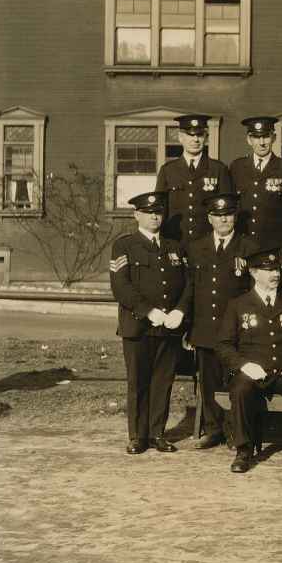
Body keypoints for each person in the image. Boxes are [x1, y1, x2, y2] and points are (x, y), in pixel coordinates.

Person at [216, 248, 282, 474]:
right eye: (267, 270)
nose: (275, 274)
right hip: (253, 372)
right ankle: (244, 450)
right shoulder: (238, 304)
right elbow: (223, 345)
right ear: (253, 273)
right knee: (241, 389)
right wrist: (244, 365)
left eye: (276, 270)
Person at [110, 191, 191, 455]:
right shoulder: (124, 245)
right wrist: (148, 311)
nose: (154, 217)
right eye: (148, 212)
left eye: (158, 212)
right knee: (138, 381)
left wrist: (180, 311)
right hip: (139, 325)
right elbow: (121, 286)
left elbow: (188, 284)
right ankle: (137, 436)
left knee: (163, 381)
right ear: (137, 215)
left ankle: (157, 433)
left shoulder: (174, 247)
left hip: (168, 326)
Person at [178, 192, 257, 449]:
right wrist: (187, 325)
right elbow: (191, 288)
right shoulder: (196, 247)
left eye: (229, 215)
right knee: (209, 380)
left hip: (236, 329)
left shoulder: (248, 247)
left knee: (235, 380)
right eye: (219, 216)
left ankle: (235, 430)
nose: (224, 220)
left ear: (235, 217)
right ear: (210, 218)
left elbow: (254, 291)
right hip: (205, 326)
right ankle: (213, 429)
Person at [155, 113, 233, 245]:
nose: (195, 140)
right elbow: (159, 210)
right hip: (174, 241)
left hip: (207, 244)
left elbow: (227, 210)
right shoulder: (168, 170)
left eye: (200, 135)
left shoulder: (218, 169)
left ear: (206, 138)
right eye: (190, 135)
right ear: (180, 137)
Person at [230, 115, 282, 251]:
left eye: (266, 136)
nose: (262, 142)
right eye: (256, 137)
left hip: (274, 245)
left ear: (274, 138)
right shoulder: (237, 167)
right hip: (242, 244)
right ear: (249, 139)